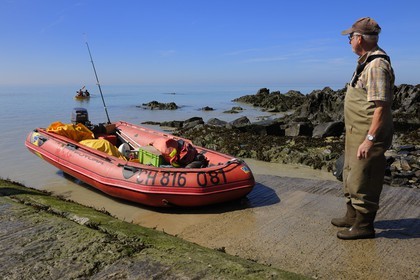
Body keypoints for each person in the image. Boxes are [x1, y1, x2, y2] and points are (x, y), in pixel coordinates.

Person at [332, 17, 395, 240]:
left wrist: (369, 138)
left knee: (364, 177)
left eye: (350, 37)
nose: (349, 41)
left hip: (369, 132)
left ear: (359, 38)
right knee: (349, 173)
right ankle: (352, 216)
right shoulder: (365, 61)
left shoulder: (377, 66)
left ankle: (364, 226)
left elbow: (382, 107)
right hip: (354, 131)